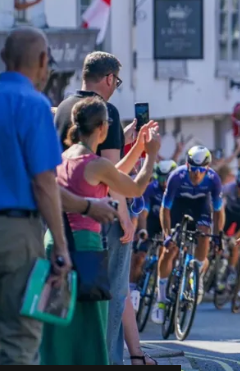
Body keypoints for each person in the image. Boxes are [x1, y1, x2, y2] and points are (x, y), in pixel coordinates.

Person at [40, 97, 160, 365]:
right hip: (86, 248)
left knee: (59, 324)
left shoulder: (66, 157)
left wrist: (138, 146)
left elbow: (110, 174)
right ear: (103, 129)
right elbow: (135, 187)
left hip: (55, 244)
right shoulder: (95, 163)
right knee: (91, 328)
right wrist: (150, 154)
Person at [52, 51, 147, 364]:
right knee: (109, 292)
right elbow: (112, 176)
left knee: (65, 296)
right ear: (108, 78)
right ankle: (107, 359)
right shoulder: (107, 111)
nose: (115, 86)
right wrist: (125, 216)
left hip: (59, 215)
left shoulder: (65, 107)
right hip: (96, 221)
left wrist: (126, 135)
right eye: (116, 81)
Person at [0, 27, 70, 365]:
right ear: (43, 61)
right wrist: (59, 244)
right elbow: (45, 183)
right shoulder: (33, 104)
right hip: (16, 232)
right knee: (19, 338)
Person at [151, 146, 225, 324]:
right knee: (169, 251)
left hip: (201, 205)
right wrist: (167, 235)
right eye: (193, 169)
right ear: (187, 165)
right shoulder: (177, 176)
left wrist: (218, 235)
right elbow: (165, 209)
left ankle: (196, 277)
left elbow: (218, 211)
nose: (197, 174)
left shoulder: (214, 179)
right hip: (178, 205)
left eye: (201, 170)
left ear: (207, 168)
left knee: (205, 235)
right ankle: (160, 300)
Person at [129, 160, 177, 311]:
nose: (163, 183)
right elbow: (143, 214)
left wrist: (169, 234)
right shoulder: (151, 189)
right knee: (139, 257)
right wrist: (142, 231)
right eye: (160, 178)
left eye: (166, 179)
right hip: (151, 222)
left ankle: (165, 287)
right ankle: (132, 289)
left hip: (170, 223)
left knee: (169, 252)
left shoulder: (178, 189)